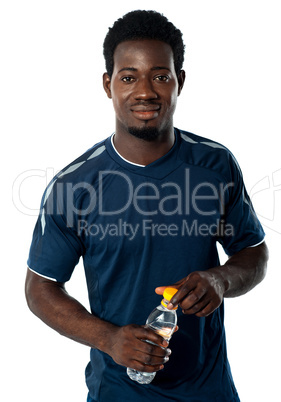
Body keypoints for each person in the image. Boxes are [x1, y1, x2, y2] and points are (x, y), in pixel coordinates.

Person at [25, 10, 268, 402]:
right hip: (120, 391)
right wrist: (109, 338)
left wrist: (220, 281)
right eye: (128, 77)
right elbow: (40, 288)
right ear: (108, 85)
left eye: (160, 75)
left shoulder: (215, 164)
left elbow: (252, 251)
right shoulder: (75, 185)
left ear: (179, 82)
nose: (145, 91)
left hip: (210, 390)